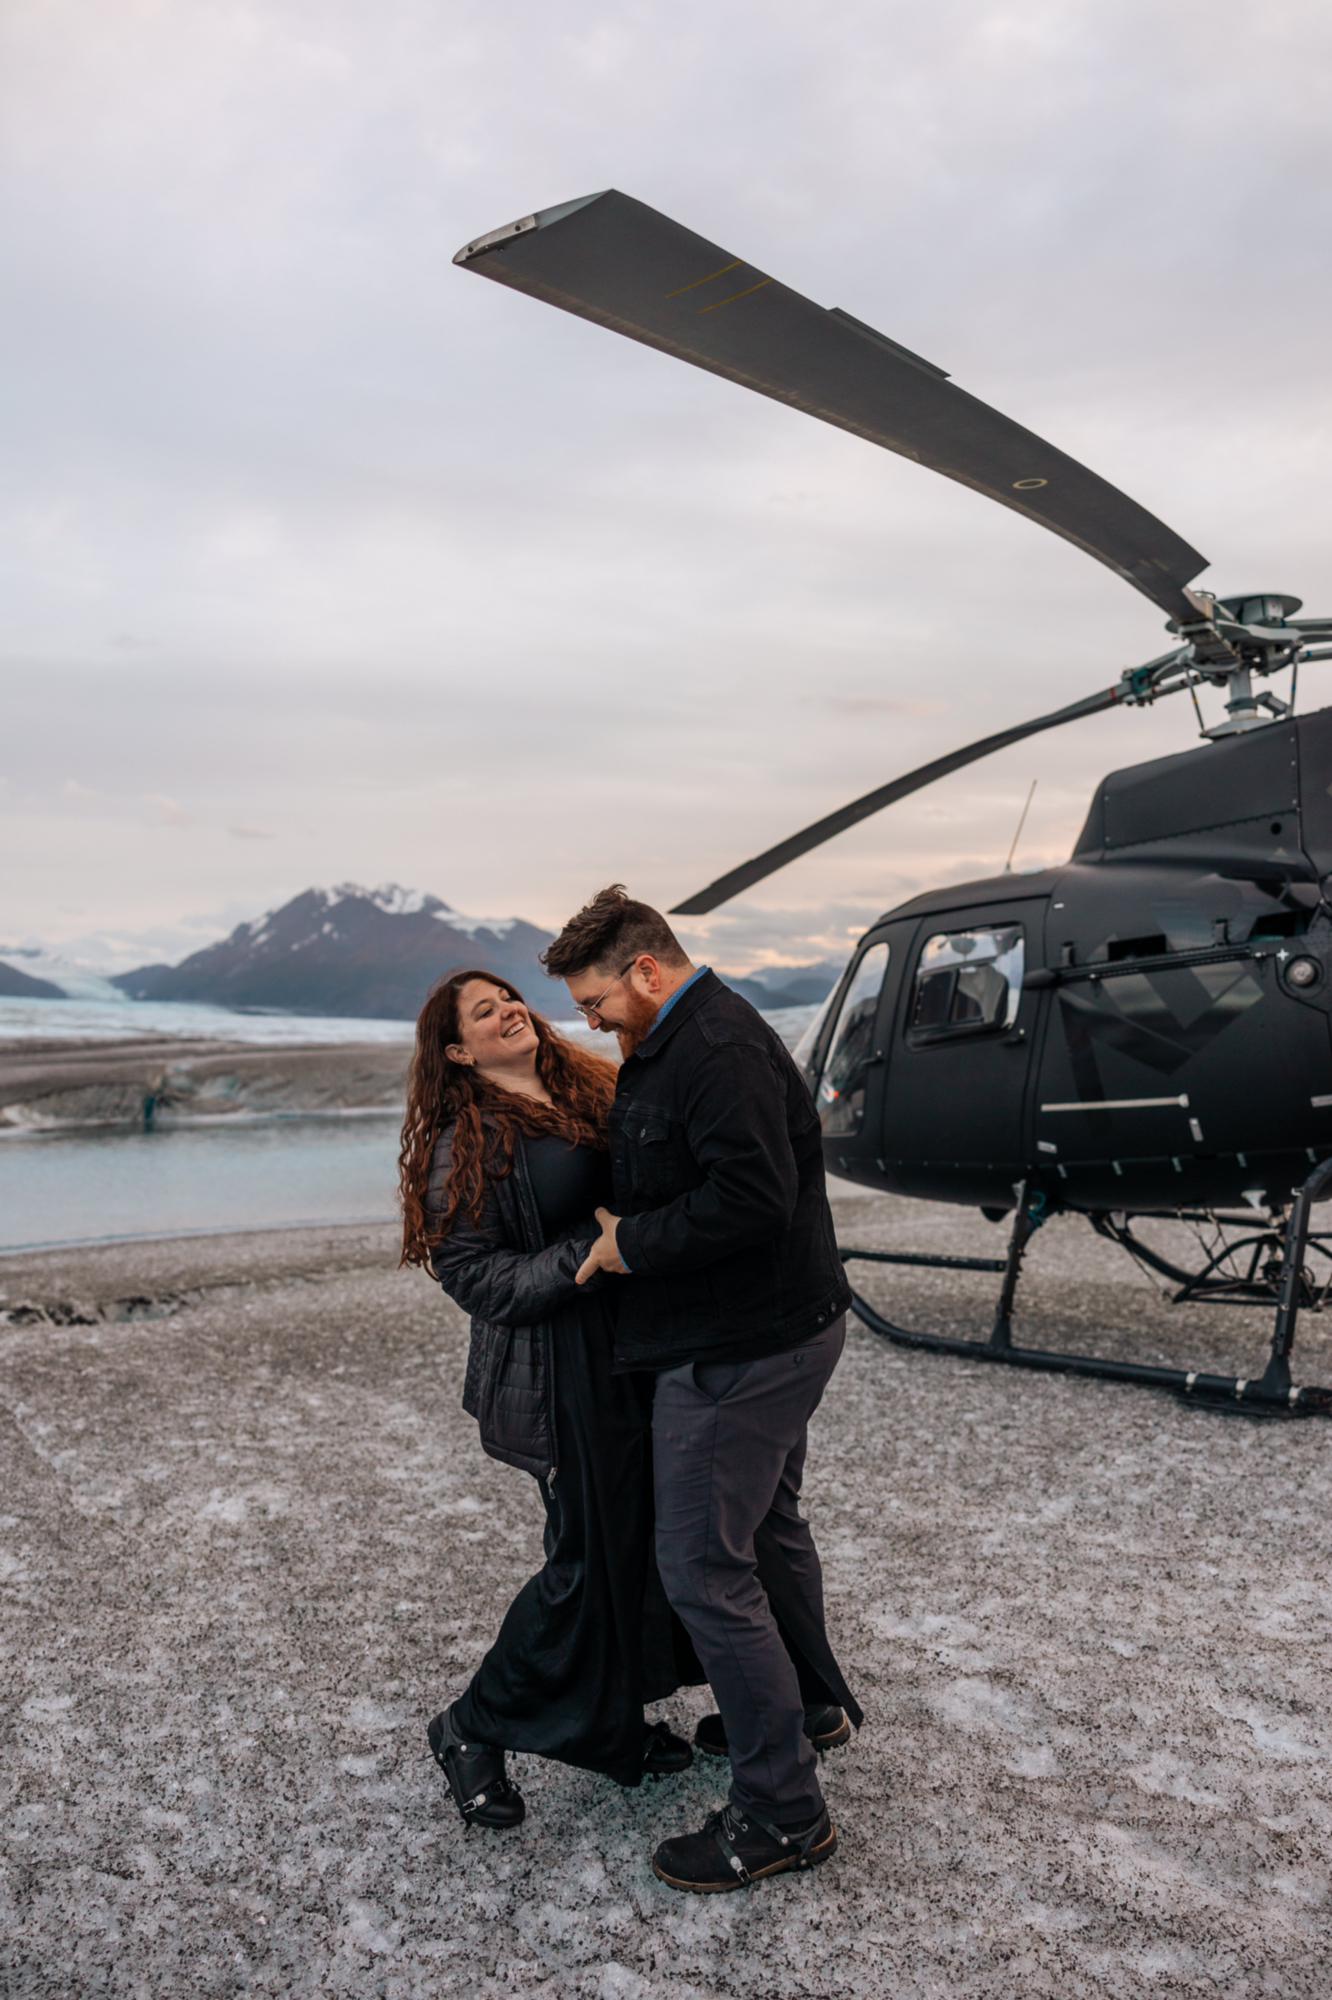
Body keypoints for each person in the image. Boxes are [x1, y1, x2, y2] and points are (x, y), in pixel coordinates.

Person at [542, 888, 860, 1894]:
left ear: (645, 969)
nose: (586, 1018)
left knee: (703, 1566)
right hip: (783, 1323)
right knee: (767, 1525)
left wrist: (628, 1240)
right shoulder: (690, 1035)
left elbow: (751, 1197)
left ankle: (782, 1810)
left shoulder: (711, 1046)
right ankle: (808, 1703)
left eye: (593, 999)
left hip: (743, 1347)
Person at [398, 966, 699, 1830]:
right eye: (484, 1012)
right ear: (458, 1050)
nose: (508, 1012)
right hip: (560, 1368)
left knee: (640, 1544)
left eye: (510, 999)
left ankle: (615, 1725)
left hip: (637, 1350)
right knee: (583, 1561)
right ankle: (470, 1725)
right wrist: (585, 1259)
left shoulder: (586, 1084)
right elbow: (473, 1274)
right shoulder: (467, 1139)